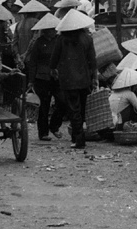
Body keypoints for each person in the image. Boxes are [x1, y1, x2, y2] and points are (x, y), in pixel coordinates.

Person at [50, 9, 97, 149]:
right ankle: (77, 137)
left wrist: (53, 70)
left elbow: (54, 59)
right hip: (84, 79)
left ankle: (79, 139)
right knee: (81, 109)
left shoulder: (61, 39)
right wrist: (94, 77)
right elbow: (92, 60)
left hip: (68, 79)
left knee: (73, 109)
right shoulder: (87, 38)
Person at [24, 13, 64, 140]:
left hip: (57, 77)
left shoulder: (59, 41)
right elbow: (33, 62)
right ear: (46, 31)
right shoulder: (38, 43)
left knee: (62, 101)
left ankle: (54, 125)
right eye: (51, 30)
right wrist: (31, 80)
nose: (53, 31)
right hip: (41, 78)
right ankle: (43, 133)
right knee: (43, 106)